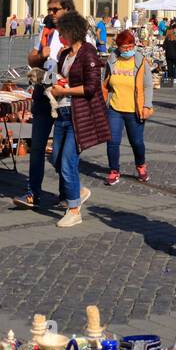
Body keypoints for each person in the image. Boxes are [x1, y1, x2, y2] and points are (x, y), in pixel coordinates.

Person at [44, 12, 108, 228]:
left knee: (67, 162)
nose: (60, 37)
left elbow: (91, 87)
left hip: (77, 114)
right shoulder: (65, 55)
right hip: (61, 113)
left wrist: (65, 90)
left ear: (72, 31)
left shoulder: (88, 53)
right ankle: (78, 190)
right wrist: (56, 84)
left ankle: (74, 209)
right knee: (55, 158)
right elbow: (64, 77)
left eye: (62, 33)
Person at [16, 0, 79, 211]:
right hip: (43, 93)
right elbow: (31, 58)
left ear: (67, 9)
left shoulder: (78, 33)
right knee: (37, 147)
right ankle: (33, 193)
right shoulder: (46, 31)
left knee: (61, 152)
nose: (50, 14)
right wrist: (41, 56)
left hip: (65, 98)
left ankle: (66, 195)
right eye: (49, 10)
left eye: (55, 10)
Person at [102, 30, 154, 185]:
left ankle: (141, 165)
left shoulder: (140, 61)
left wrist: (147, 105)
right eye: (124, 47)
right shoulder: (112, 59)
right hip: (114, 108)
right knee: (112, 141)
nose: (128, 49)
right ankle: (113, 170)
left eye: (130, 46)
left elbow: (148, 85)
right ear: (118, 46)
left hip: (135, 109)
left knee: (137, 142)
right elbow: (105, 82)